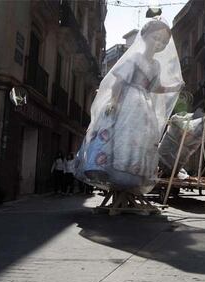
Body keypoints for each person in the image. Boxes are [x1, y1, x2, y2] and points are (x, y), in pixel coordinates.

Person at [75, 18, 183, 195]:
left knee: (140, 138)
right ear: (145, 36)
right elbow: (119, 81)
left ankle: (132, 173)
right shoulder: (134, 59)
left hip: (143, 106)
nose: (158, 43)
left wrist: (173, 87)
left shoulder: (156, 66)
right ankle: (113, 169)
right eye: (155, 38)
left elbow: (155, 87)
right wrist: (114, 101)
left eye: (163, 42)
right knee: (121, 134)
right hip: (128, 101)